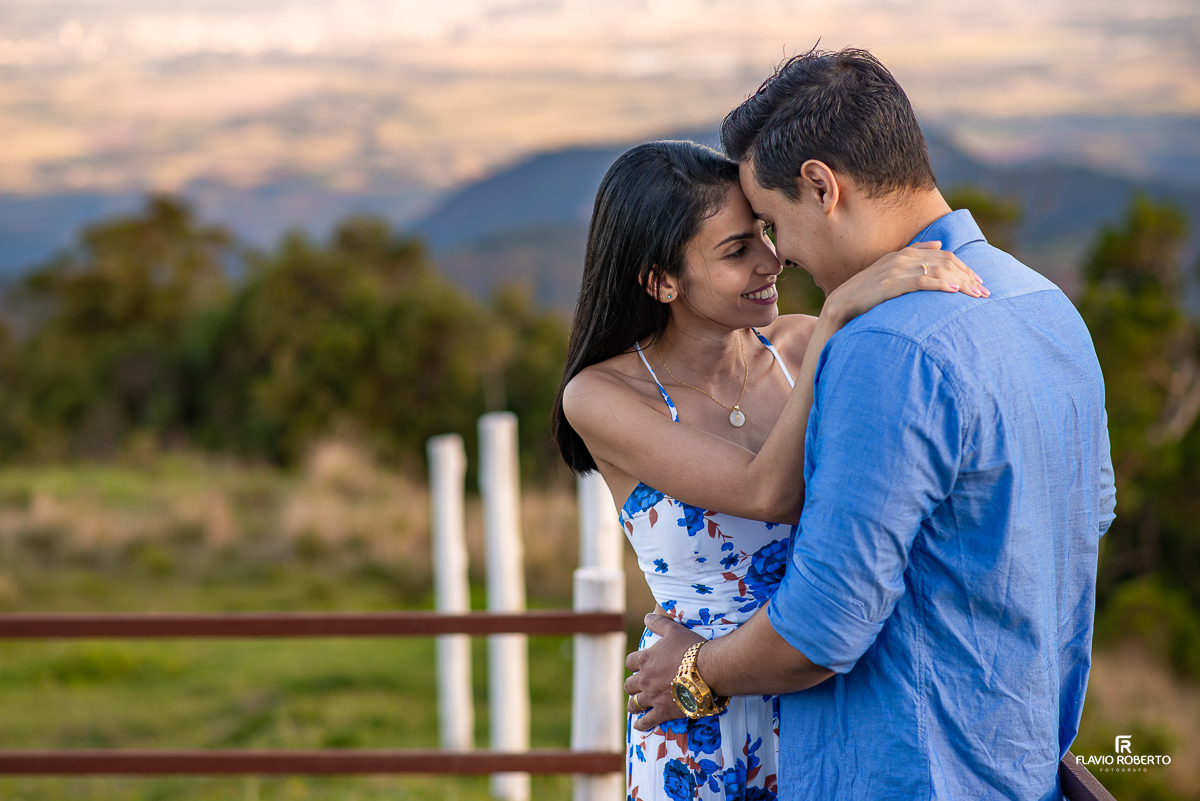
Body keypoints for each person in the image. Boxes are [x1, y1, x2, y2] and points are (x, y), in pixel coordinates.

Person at [622, 48, 1117, 800]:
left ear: (822, 186)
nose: (778, 255)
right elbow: (1086, 521)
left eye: (773, 221)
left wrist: (694, 670)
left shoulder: (887, 346)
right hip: (1020, 765)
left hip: (908, 772)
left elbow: (822, 626)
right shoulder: (1045, 305)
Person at [552, 139, 985, 801]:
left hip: (832, 695)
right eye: (735, 250)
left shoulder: (802, 346)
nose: (771, 257)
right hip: (703, 726)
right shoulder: (602, 396)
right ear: (660, 280)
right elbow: (768, 491)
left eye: (761, 231)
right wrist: (840, 309)